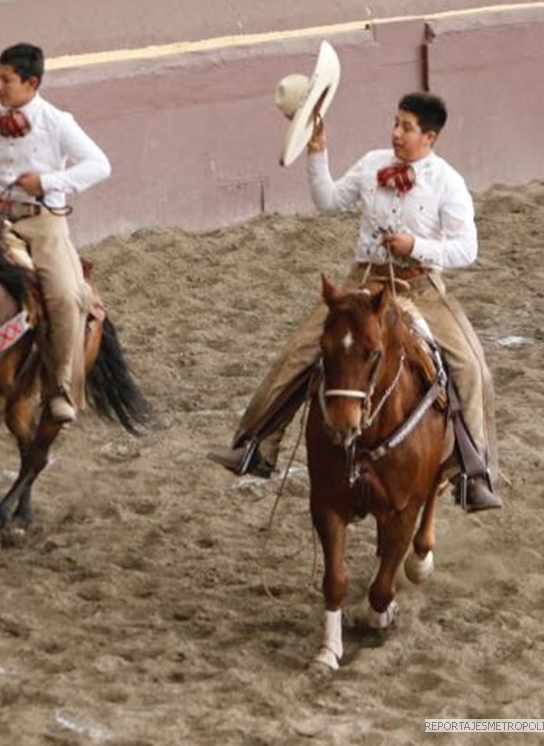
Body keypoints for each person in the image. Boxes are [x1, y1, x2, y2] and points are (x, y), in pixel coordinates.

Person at [209, 92, 503, 512]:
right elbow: (328, 200)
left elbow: (466, 249)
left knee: (472, 367)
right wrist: (317, 152)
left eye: (406, 127)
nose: (396, 133)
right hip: (361, 284)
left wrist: (415, 245)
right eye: (395, 123)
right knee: (299, 352)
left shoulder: (448, 182)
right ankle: (255, 444)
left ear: (430, 136)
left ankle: (473, 475)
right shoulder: (371, 163)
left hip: (418, 288)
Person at [0, 42, 111, 424]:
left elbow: (99, 165)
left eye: (6, 79)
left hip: (44, 220)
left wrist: (47, 181)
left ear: (31, 83)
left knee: (64, 294)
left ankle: (60, 386)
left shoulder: (58, 122)